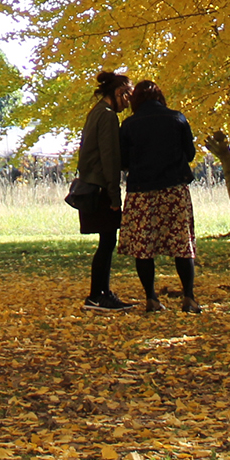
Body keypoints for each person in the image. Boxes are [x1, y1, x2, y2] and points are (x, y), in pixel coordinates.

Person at [117, 79, 200, 314]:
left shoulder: (129, 125)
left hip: (142, 191)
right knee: (182, 244)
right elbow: (190, 153)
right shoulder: (177, 118)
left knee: (144, 246)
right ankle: (189, 297)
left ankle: (151, 299)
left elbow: (123, 162)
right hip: (174, 190)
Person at [76, 70, 131, 311]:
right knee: (107, 242)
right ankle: (98, 295)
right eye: (128, 95)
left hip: (92, 183)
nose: (129, 102)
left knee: (106, 242)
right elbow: (109, 157)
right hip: (101, 188)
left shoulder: (95, 112)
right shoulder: (108, 116)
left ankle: (101, 292)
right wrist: (115, 195)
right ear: (118, 93)